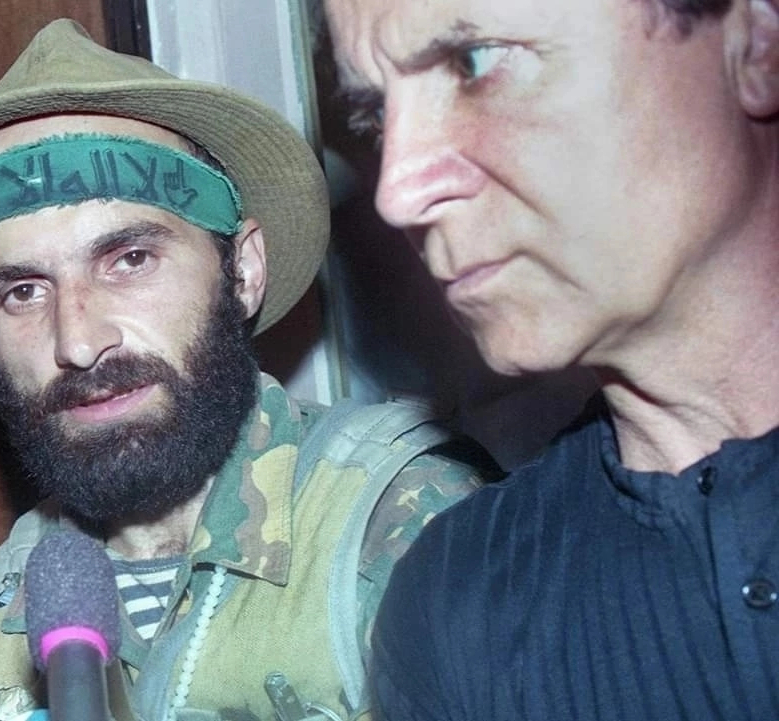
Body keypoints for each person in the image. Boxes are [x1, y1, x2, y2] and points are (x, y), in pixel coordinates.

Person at [0, 18, 489, 721]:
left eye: (130, 260)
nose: (78, 341)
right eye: (23, 291)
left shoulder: (409, 529)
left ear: (242, 271)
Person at [322, 0, 779, 718]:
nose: (397, 193)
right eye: (377, 116)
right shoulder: (456, 613)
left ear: (758, 40)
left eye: (474, 63)